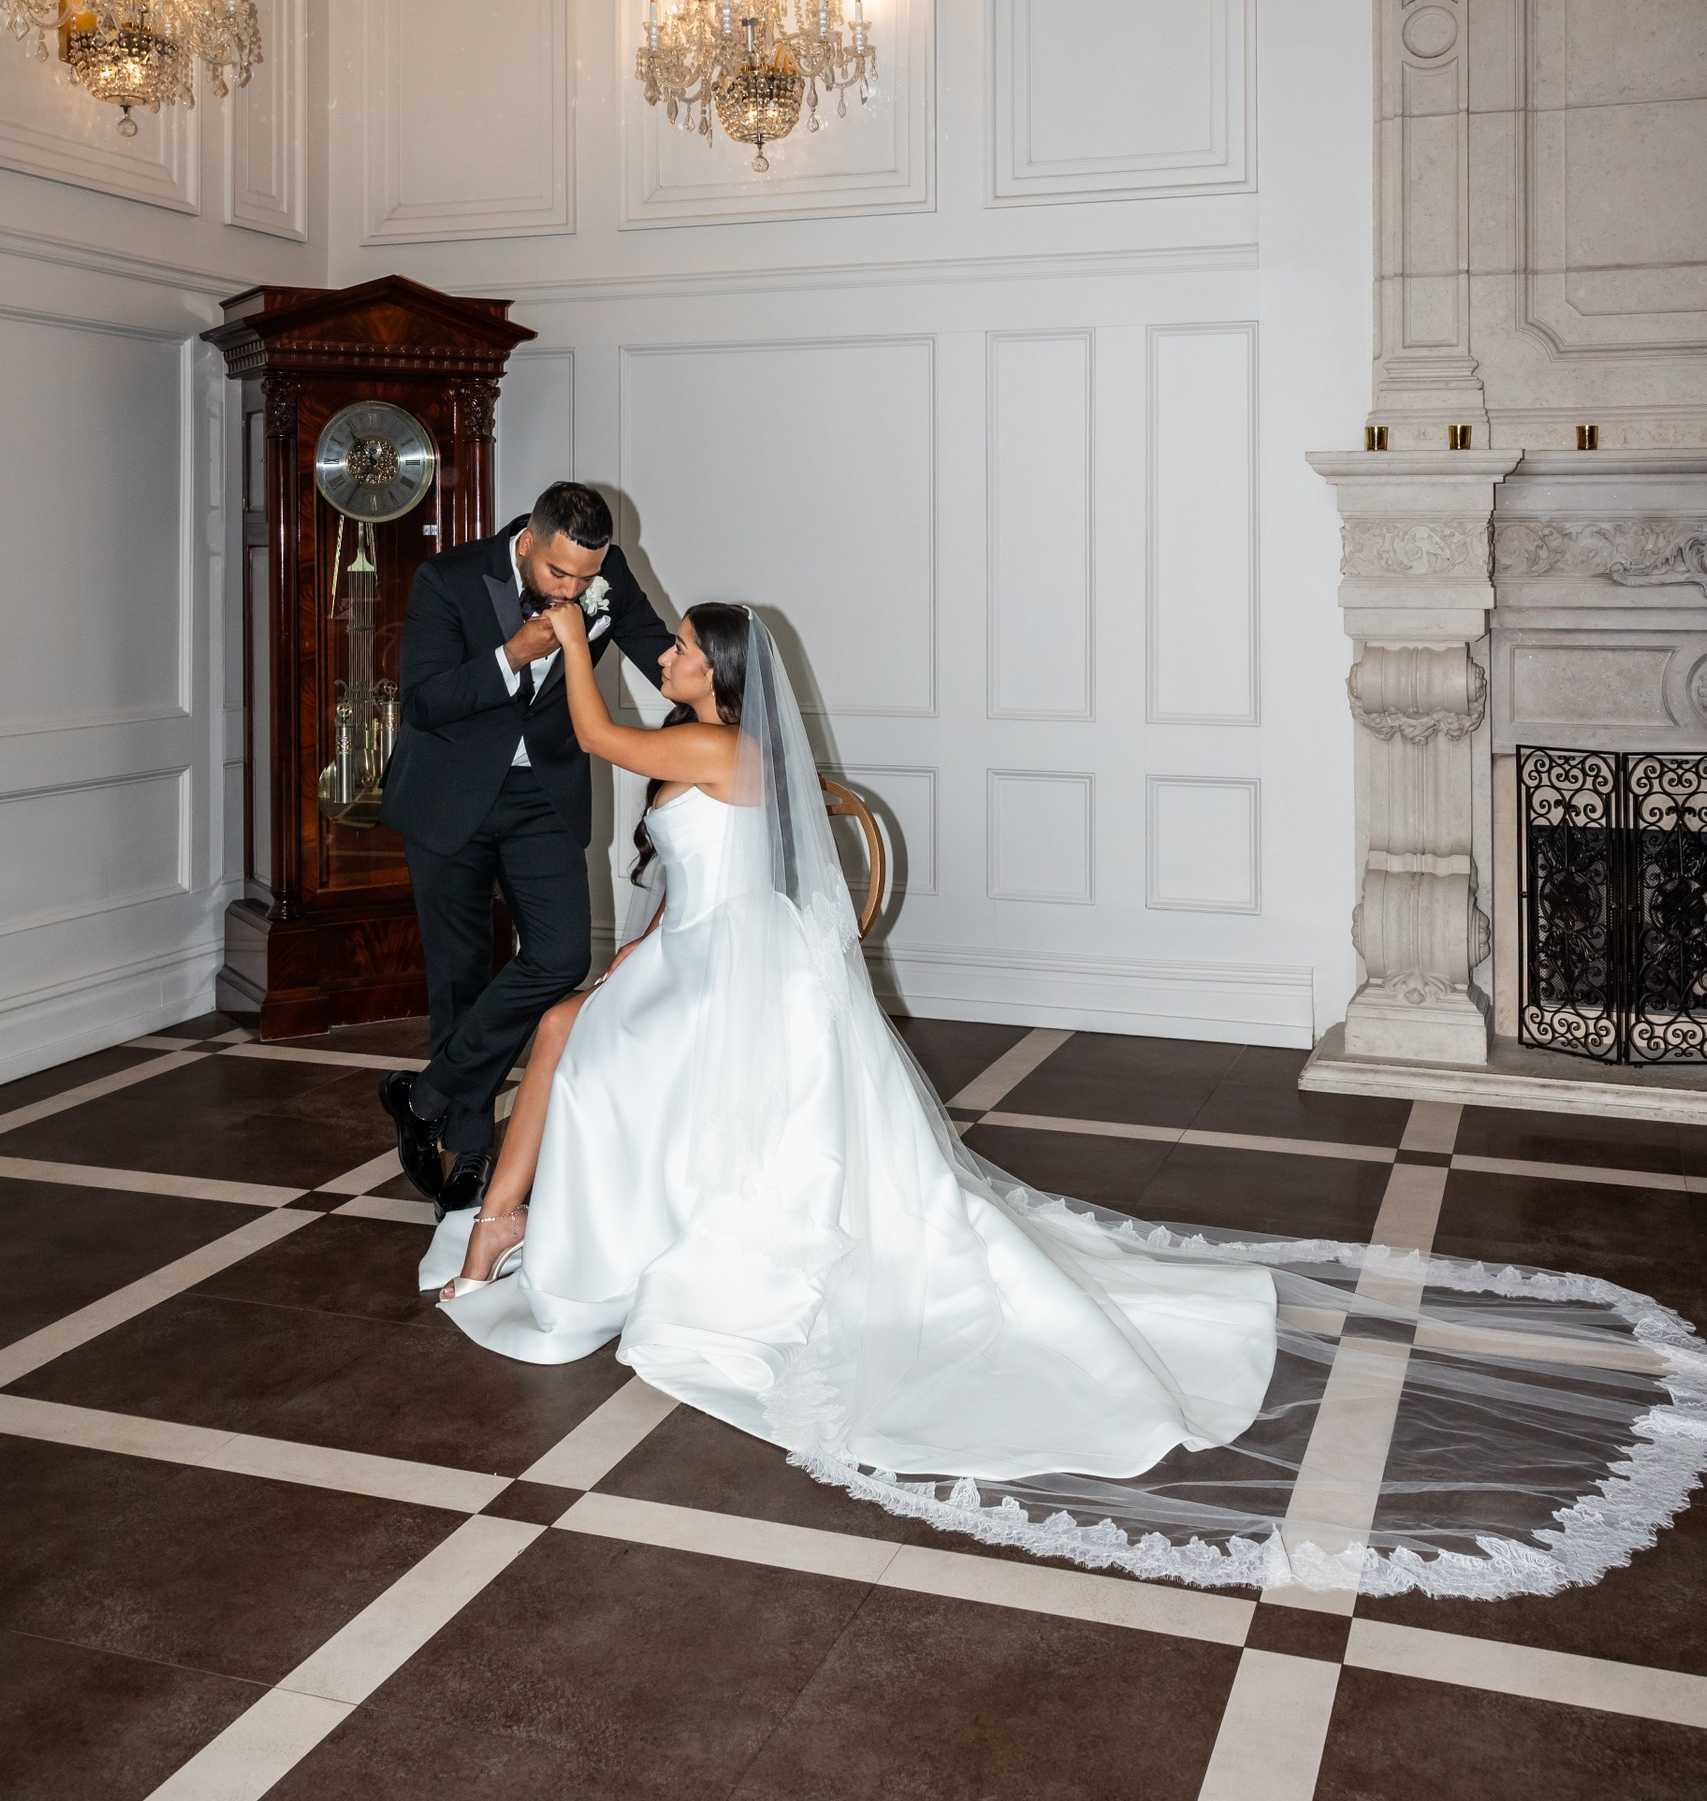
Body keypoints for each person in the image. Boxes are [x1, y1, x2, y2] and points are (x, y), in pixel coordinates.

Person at [418, 602, 1707, 1601]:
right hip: (698, 958)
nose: (670, 654)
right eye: (674, 646)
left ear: (724, 673)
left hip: (728, 978)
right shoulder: (701, 743)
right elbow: (699, 882)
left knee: (579, 1044)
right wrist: (641, 953)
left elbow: (598, 739)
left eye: (687, 647)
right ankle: (529, 1220)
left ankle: (518, 1225)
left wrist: (572, 636)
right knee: (576, 1029)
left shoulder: (709, 743)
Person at [375, 480, 671, 1215]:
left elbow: (661, 655)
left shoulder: (605, 574)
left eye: (584, 577)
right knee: (460, 975)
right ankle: (471, 1150)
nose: (571, 589)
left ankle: (427, 1096)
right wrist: (511, 655)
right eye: (557, 573)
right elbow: (424, 702)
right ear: (529, 539)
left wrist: (734, 711)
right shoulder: (448, 578)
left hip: (544, 795)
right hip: (448, 797)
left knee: (562, 956)